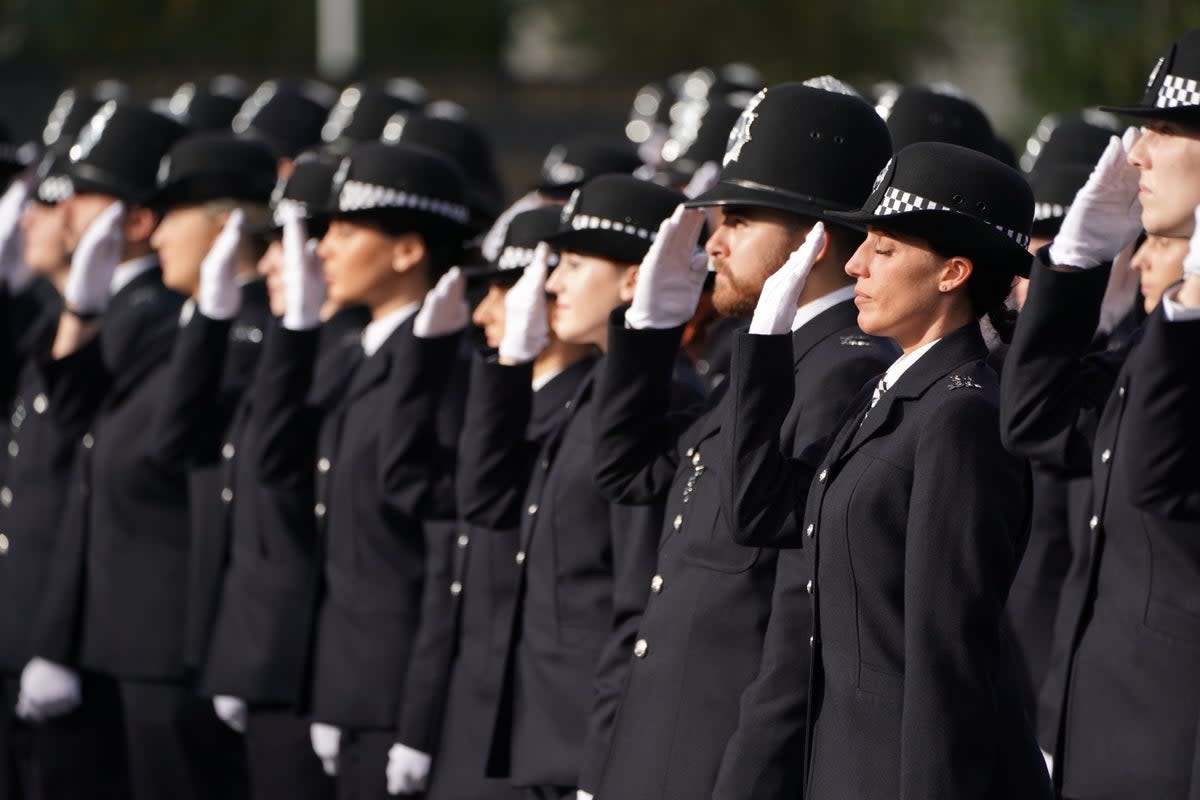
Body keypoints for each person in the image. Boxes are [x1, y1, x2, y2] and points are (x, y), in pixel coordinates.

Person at [589, 81, 895, 800]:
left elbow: (795, 623)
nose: (714, 241)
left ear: (815, 235)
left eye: (738, 218)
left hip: (721, 763)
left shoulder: (840, 371)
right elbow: (632, 474)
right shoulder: (770, 357)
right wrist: (649, 332)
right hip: (664, 749)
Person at [723, 141, 1051, 799]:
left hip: (898, 773)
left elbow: (948, 649)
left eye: (885, 249)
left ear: (952, 272)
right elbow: (761, 510)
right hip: (839, 765)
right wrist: (762, 346)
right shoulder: (887, 391)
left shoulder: (960, 414)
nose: (854, 265)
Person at [1002, 28, 1200, 798]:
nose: (1138, 154)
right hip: (1092, 743)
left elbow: (1158, 480)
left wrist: (1186, 322)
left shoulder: (1178, 332)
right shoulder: (1161, 328)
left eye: (1167, 130)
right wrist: (1076, 268)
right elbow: (1037, 424)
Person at [463, 174, 699, 800]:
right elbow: (488, 499)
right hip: (543, 741)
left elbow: (635, 604)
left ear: (634, 280)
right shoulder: (595, 388)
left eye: (572, 264)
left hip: (585, 751)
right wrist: (511, 364)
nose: (550, 283)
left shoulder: (660, 401)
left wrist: (600, 770)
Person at [261, 140, 469, 799]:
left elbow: (442, 558)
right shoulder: (355, 351)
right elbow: (277, 461)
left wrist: (416, 717)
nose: (323, 247)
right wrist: (294, 330)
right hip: (347, 693)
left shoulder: (443, 368)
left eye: (347, 231)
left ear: (408, 251)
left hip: (397, 698)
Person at [417, 206, 594, 800]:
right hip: (471, 709)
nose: (489, 312)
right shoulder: (504, 394)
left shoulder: (583, 405)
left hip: (539, 721)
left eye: (511, 290)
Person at [197, 149, 358, 800]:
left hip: (314, 672)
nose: (269, 263)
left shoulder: (343, 352)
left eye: (293, 244)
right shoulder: (297, 345)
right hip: (266, 659)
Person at [0, 156, 131, 800]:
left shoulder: (123, 322)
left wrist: (55, 639)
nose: (32, 220)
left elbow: (86, 490)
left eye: (54, 204)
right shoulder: (50, 322)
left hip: (67, 640)